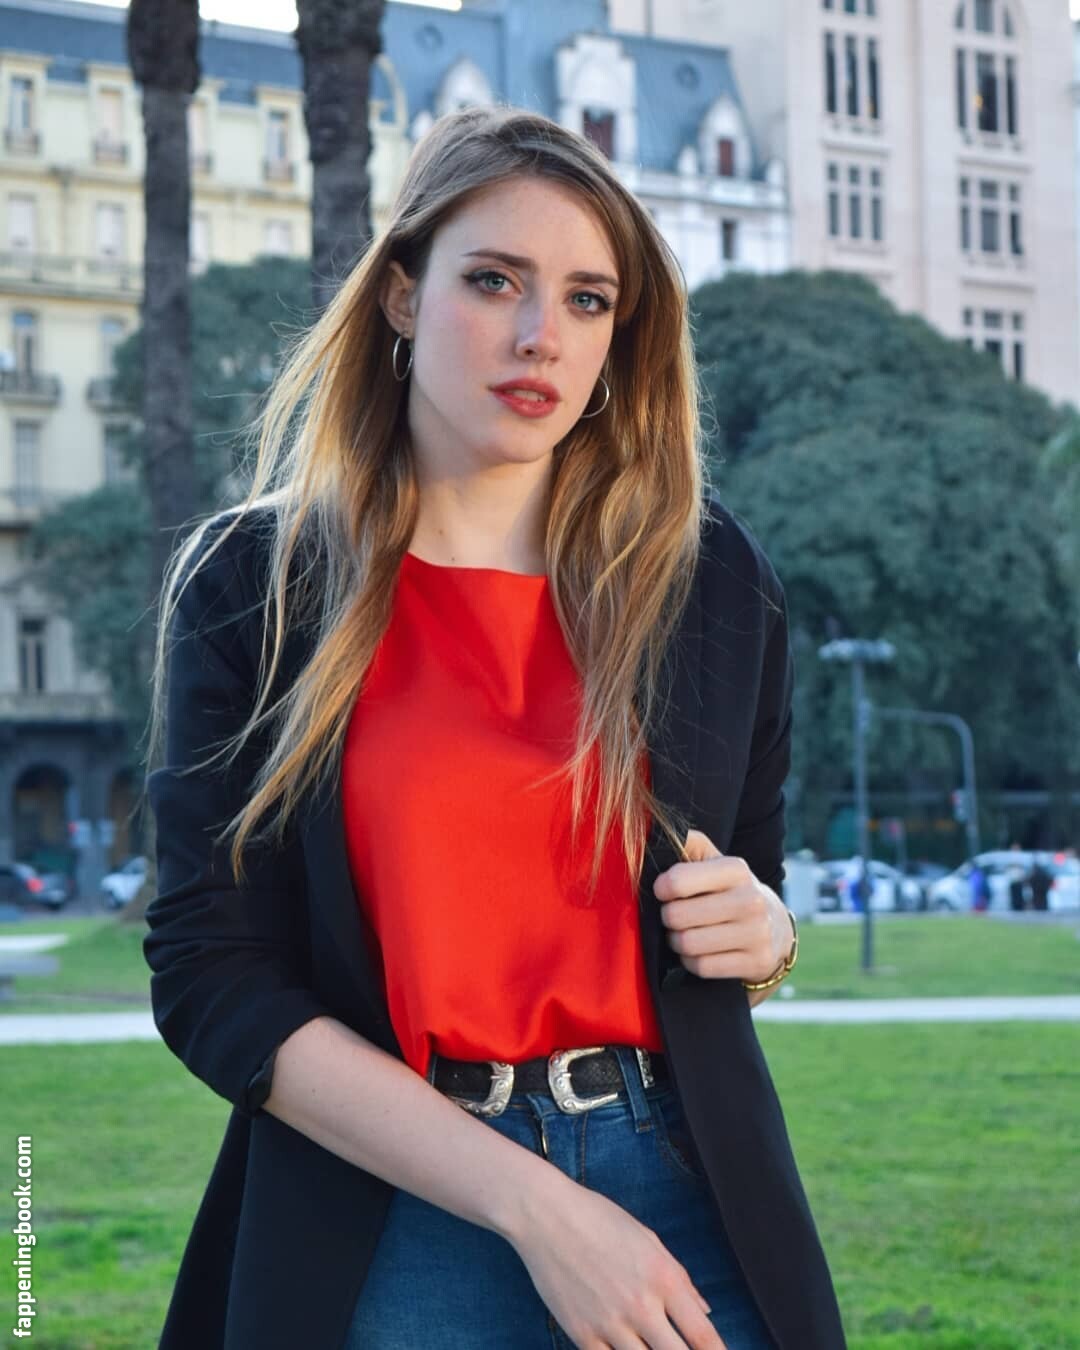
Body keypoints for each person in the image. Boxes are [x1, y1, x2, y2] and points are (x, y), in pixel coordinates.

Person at [143, 106, 846, 1350]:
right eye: (494, 281)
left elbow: (750, 884)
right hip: (397, 1210)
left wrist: (767, 934)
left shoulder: (710, 579)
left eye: (587, 299)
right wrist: (536, 1209)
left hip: (690, 1191)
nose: (540, 336)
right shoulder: (257, 584)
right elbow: (212, 975)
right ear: (400, 294)